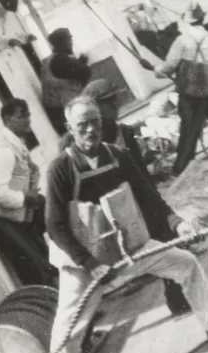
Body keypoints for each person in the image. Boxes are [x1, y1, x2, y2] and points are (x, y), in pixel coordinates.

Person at [44, 97, 208, 353]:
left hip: (124, 244)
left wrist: (177, 222)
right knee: (72, 323)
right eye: (82, 124)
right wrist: (91, 265)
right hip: (81, 257)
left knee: (185, 263)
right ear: (70, 128)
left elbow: (148, 195)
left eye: (95, 121)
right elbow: (55, 225)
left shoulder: (118, 155)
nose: (91, 129)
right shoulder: (61, 169)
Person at [71, 80, 191, 317]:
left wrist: (162, 210)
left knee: (165, 243)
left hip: (139, 202)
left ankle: (176, 298)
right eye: (109, 103)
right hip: (106, 212)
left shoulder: (123, 133)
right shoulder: (80, 144)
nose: (115, 107)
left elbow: (143, 177)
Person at [0, 98, 55, 287]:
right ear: (8, 119)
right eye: (22, 115)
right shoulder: (3, 151)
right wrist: (25, 197)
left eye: (28, 114)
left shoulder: (15, 144)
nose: (28, 120)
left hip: (12, 213)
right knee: (34, 267)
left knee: (46, 258)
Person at [156, 3, 208, 176]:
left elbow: (169, 67)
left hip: (190, 94)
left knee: (189, 130)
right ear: (202, 18)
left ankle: (181, 169)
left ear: (187, 22)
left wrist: (156, 70)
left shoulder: (181, 41)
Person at [40, 27, 91, 133]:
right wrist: (82, 63)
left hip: (58, 113)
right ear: (62, 42)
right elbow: (85, 72)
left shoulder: (49, 61)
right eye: (69, 40)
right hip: (67, 112)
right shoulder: (61, 59)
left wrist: (79, 62)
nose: (71, 43)